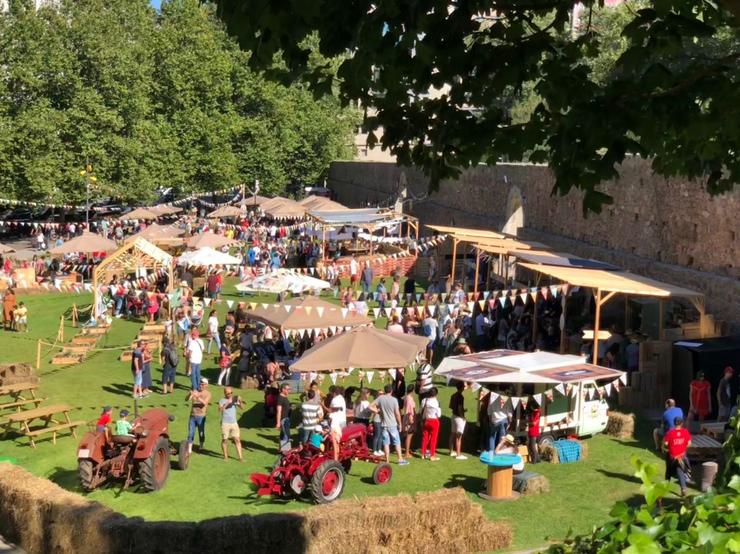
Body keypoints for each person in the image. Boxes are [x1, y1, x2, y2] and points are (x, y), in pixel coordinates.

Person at [369, 384, 409, 465]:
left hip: (384, 425)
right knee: (397, 442)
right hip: (392, 424)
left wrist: (377, 411)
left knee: (386, 443)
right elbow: (397, 413)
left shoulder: (380, 398)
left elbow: (370, 406)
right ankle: (400, 459)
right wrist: (400, 423)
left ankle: (387, 460)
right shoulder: (394, 400)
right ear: (391, 391)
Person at [663, 416, 692, 496]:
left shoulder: (670, 433)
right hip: (681, 456)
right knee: (680, 471)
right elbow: (689, 443)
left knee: (668, 470)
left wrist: (666, 448)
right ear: (682, 423)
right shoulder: (685, 432)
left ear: (674, 423)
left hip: (672, 456)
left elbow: (666, 444)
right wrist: (683, 449)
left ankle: (665, 486)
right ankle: (683, 488)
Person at [187, 378, 211, 454]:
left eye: (203, 384)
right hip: (193, 415)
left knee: (201, 432)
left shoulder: (208, 394)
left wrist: (197, 397)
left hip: (201, 416)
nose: (201, 385)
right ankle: (189, 449)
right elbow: (187, 399)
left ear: (206, 385)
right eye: (200, 384)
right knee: (191, 433)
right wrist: (189, 394)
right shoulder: (195, 391)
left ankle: (201, 446)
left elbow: (204, 403)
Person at [218, 387, 243, 461]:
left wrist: (240, 401)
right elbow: (220, 410)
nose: (230, 394)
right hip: (225, 423)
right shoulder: (222, 400)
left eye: (231, 393)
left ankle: (240, 458)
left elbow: (242, 407)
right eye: (228, 393)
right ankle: (225, 457)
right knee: (225, 440)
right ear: (225, 393)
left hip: (234, 423)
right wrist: (227, 403)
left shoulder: (234, 399)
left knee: (237, 439)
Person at [418, 386, 441, 461]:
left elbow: (421, 410)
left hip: (427, 420)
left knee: (425, 438)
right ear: (436, 394)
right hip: (434, 421)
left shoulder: (424, 400)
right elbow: (439, 415)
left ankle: (423, 454)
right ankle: (432, 455)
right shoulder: (437, 402)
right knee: (433, 439)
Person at [448, 382, 467, 460]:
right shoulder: (460, 396)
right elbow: (459, 407)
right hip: (459, 417)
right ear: (462, 387)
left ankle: (451, 451)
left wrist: (462, 410)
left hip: (453, 416)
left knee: (452, 434)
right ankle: (458, 454)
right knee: (459, 436)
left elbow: (451, 406)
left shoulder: (453, 395)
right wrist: (463, 417)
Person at [401, 384, 417, 459]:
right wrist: (411, 419)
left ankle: (405, 450)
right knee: (409, 435)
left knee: (406, 435)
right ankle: (406, 453)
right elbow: (410, 410)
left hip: (406, 417)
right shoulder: (409, 398)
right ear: (413, 390)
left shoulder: (406, 397)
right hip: (409, 417)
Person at [275, 383, 292, 451]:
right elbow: (278, 411)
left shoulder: (284, 397)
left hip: (286, 419)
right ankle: (285, 451)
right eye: (288, 389)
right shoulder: (280, 398)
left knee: (283, 435)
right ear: (283, 389)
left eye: (289, 389)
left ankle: (281, 449)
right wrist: (278, 422)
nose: (289, 391)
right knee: (286, 435)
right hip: (284, 420)